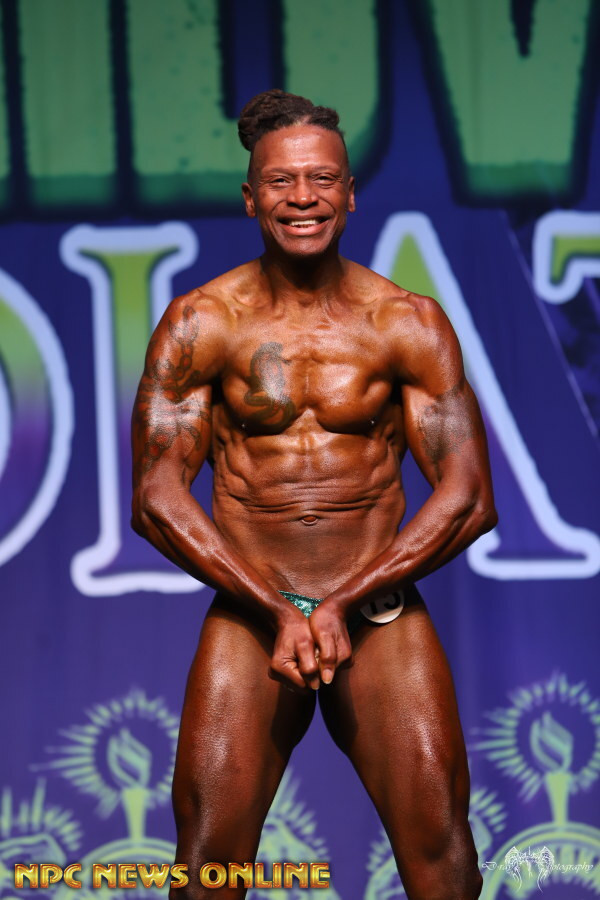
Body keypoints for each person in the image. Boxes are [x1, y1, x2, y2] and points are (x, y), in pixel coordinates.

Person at [131, 89, 497, 900]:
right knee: (207, 862)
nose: (304, 197)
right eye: (282, 181)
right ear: (250, 197)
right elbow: (156, 497)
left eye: (322, 179)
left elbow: (470, 496)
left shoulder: (405, 322)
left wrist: (339, 604)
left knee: (444, 853)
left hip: (377, 612)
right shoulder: (201, 323)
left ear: (350, 192)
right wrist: (279, 609)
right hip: (251, 610)